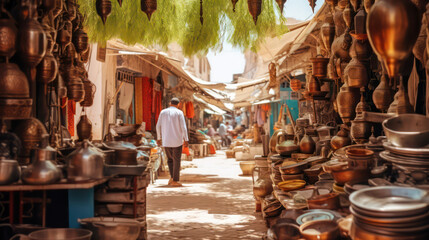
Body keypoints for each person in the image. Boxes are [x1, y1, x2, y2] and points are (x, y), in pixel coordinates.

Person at [156, 97, 189, 187]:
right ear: (178, 105)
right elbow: (183, 127)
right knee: (176, 160)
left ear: (170, 103)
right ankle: (175, 180)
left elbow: (158, 125)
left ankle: (171, 178)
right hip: (177, 141)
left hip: (166, 141)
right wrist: (186, 139)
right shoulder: (179, 113)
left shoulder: (163, 112)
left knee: (170, 160)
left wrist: (159, 138)